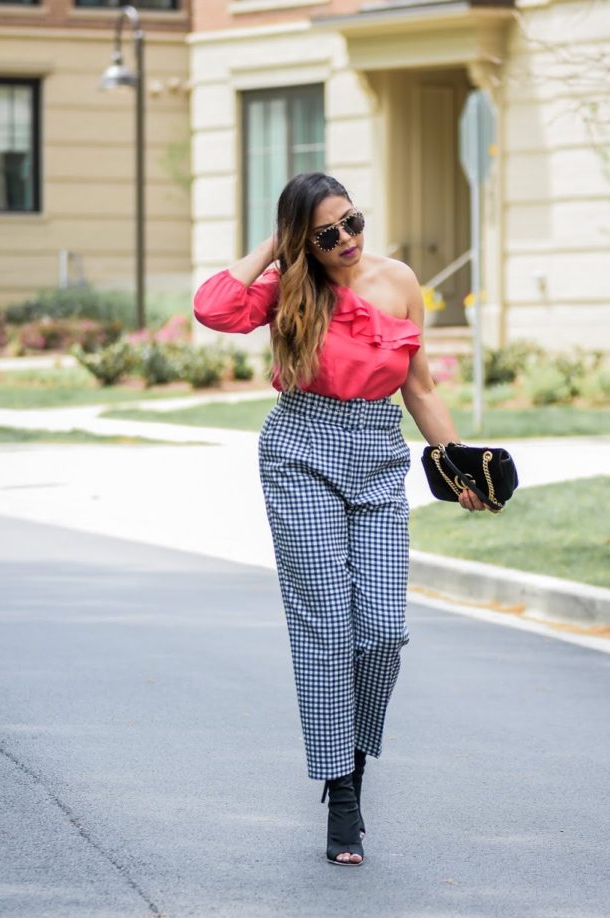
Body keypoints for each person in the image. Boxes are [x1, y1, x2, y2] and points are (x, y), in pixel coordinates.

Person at [194, 171, 485, 867]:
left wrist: (459, 464)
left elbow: (420, 387)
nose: (348, 239)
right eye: (327, 234)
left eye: (353, 221)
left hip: (379, 454)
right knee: (326, 626)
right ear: (303, 240)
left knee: (383, 629)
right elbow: (213, 307)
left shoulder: (399, 280)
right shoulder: (288, 288)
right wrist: (277, 247)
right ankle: (343, 793)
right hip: (301, 449)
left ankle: (349, 756)